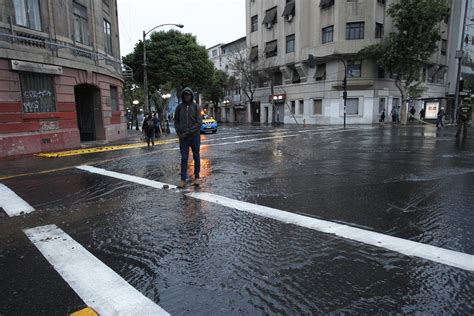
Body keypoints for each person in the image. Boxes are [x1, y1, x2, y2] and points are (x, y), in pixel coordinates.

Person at [174, 87, 202, 188]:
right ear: (183, 96)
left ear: (191, 95)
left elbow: (199, 122)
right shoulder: (179, 107)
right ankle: (183, 179)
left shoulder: (196, 107)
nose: (187, 96)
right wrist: (179, 132)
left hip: (194, 136)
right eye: (185, 95)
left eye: (188, 95)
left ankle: (197, 177)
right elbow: (176, 121)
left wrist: (188, 132)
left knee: (196, 156)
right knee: (184, 158)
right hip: (183, 138)